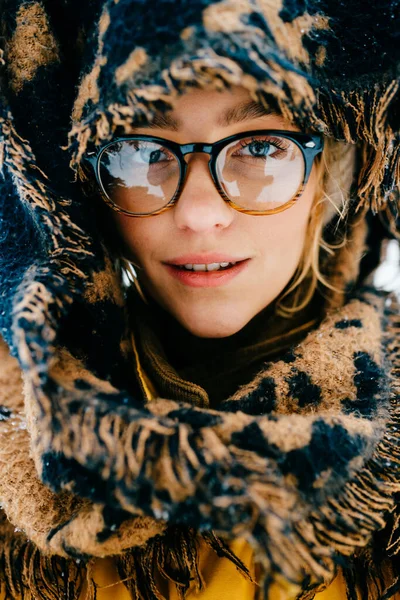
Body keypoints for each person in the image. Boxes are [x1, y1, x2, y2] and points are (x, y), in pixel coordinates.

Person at [0, 1, 399, 599]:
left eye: (260, 148)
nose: (199, 214)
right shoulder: (15, 431)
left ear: (332, 166)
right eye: (141, 152)